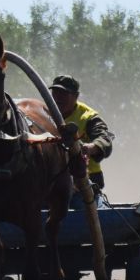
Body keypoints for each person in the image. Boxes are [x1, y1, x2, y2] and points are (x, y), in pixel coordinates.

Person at [48, 75, 115, 204]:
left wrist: (89, 148)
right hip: (51, 183)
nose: (58, 98)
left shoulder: (88, 117)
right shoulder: (43, 114)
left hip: (85, 182)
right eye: (55, 93)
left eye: (64, 94)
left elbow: (105, 139)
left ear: (76, 96)